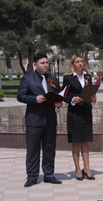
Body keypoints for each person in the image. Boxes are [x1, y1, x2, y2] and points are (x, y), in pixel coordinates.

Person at [17, 52, 63, 187]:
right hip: (34, 120)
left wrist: (59, 102)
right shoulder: (27, 79)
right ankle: (32, 177)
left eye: (47, 62)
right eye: (43, 63)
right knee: (33, 150)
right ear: (35, 64)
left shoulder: (53, 79)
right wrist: (35, 99)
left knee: (49, 149)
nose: (46, 65)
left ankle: (49, 175)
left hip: (50, 120)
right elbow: (20, 96)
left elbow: (59, 94)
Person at [62, 54, 97, 181]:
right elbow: (64, 96)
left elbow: (91, 93)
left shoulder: (88, 77)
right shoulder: (68, 78)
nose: (80, 63)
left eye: (82, 61)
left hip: (86, 111)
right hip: (75, 112)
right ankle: (77, 168)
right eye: (77, 62)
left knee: (85, 140)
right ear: (73, 65)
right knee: (76, 141)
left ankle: (87, 168)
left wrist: (94, 99)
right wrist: (72, 99)